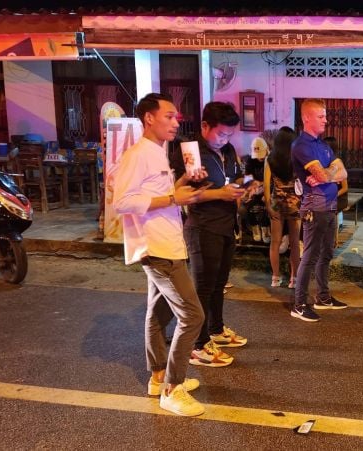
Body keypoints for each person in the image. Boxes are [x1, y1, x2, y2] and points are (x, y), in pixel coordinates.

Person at [112, 92, 208, 417]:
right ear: (149, 118)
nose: (176, 122)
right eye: (169, 116)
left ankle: (157, 377)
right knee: (193, 316)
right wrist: (172, 199)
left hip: (168, 242)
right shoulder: (138, 154)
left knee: (158, 314)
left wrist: (184, 183)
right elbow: (122, 201)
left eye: (176, 117)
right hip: (157, 248)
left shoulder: (158, 151)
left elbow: (162, 193)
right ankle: (172, 389)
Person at [170, 101, 252, 369]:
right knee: (203, 287)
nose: (225, 139)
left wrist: (244, 186)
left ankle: (216, 329)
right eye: (221, 133)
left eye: (230, 134)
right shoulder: (191, 152)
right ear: (205, 126)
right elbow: (183, 195)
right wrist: (221, 193)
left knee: (219, 283)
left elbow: (234, 178)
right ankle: (198, 343)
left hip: (227, 224)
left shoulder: (227, 150)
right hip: (203, 226)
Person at [290, 99, 349, 322]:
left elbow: (342, 172)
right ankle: (299, 304)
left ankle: (323, 297)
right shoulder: (301, 145)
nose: (326, 120)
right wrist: (330, 173)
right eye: (321, 116)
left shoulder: (323, 145)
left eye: (325, 116)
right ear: (307, 118)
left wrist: (328, 173)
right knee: (311, 255)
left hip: (330, 206)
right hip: (315, 206)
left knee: (327, 253)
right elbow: (326, 174)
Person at [264, 126, 301, 289]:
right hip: (294, 204)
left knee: (275, 242)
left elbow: (266, 185)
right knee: (294, 242)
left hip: (276, 204)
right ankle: (294, 279)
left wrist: (268, 205)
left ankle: (275, 277)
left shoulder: (270, 159)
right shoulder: (297, 159)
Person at [244, 137, 271, 243]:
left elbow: (274, 179)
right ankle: (254, 226)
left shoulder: (271, 159)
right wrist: (249, 189)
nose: (259, 158)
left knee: (268, 203)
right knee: (247, 204)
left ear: (266, 150)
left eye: (261, 155)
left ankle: (265, 227)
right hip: (256, 190)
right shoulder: (250, 160)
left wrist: (263, 186)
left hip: (269, 188)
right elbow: (247, 179)